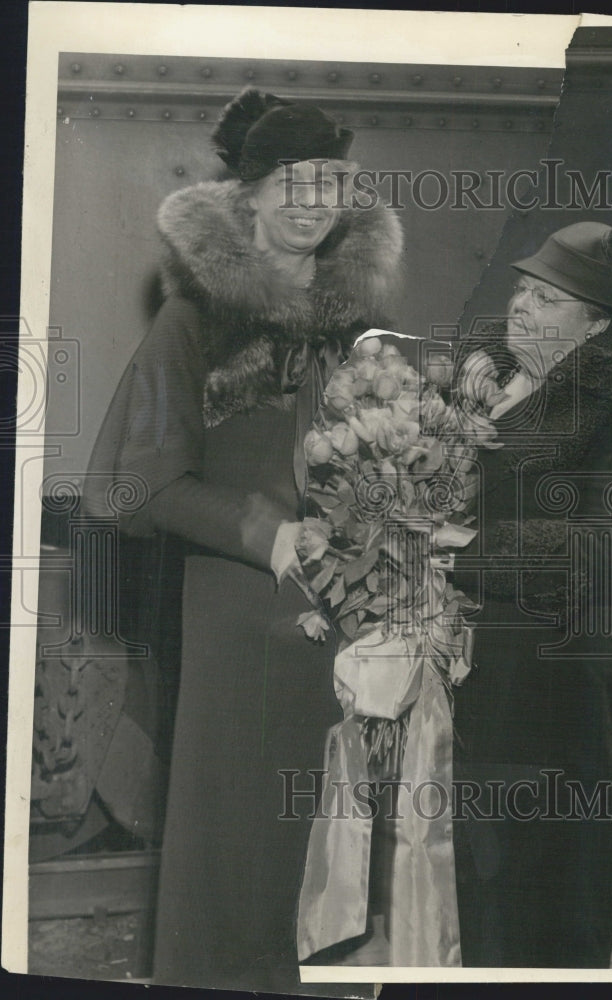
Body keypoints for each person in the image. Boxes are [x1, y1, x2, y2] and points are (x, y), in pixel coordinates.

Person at [84, 88, 403, 991]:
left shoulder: (357, 329)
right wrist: (267, 532)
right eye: (289, 182)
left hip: (348, 625)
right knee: (238, 856)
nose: (310, 199)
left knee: (334, 853)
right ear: (249, 193)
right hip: (240, 623)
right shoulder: (195, 321)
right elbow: (132, 484)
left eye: (330, 182)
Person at [451, 221, 612, 967]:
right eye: (520, 288)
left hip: (563, 707)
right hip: (490, 692)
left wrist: (466, 550)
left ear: (595, 324)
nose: (520, 307)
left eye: (548, 298)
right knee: (481, 902)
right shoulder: (497, 378)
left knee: (549, 916)